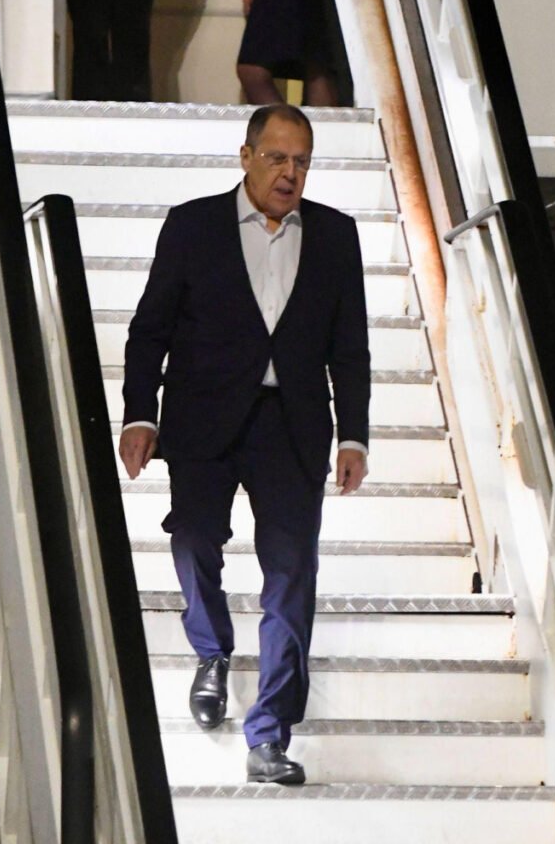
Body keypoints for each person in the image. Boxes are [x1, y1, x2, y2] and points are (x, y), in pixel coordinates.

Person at [119, 103, 370, 784]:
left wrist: (354, 434)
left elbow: (349, 347)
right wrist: (140, 416)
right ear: (246, 156)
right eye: (277, 158)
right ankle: (211, 649)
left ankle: (269, 735)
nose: (290, 173)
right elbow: (150, 330)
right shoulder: (192, 225)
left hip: (292, 426)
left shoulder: (335, 235)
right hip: (203, 416)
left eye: (302, 162)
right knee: (194, 538)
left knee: (292, 575)